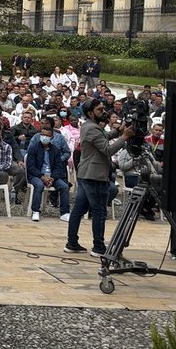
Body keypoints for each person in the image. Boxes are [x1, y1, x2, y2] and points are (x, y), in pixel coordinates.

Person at [66, 98, 134, 255]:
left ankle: (72, 243)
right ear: (90, 113)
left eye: (103, 109)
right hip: (94, 176)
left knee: (79, 209)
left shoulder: (90, 126)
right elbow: (107, 149)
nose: (103, 112)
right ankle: (98, 247)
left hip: (87, 174)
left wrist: (118, 132)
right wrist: (123, 137)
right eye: (99, 110)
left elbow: (104, 137)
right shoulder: (92, 128)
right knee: (99, 211)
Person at [26, 121, 71, 223]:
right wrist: (42, 177)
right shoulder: (34, 148)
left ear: (51, 137)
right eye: (42, 135)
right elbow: (31, 167)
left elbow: (58, 167)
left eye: (47, 135)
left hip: (51, 176)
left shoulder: (55, 150)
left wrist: (52, 178)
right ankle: (36, 211)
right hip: (36, 176)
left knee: (64, 186)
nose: (44, 137)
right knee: (39, 186)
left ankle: (65, 213)